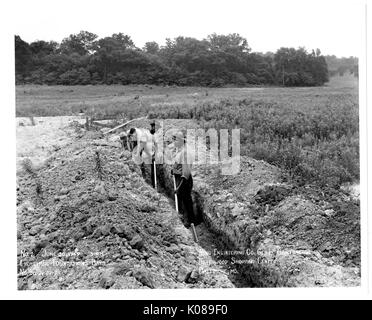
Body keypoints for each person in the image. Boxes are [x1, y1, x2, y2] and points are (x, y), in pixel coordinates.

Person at [171, 130, 196, 227]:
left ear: (181, 141)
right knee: (183, 200)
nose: (174, 142)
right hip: (179, 179)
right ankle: (187, 219)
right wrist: (174, 171)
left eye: (175, 140)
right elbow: (179, 166)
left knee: (186, 201)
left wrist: (179, 188)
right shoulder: (180, 149)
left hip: (184, 181)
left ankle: (190, 222)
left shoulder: (185, 152)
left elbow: (185, 174)